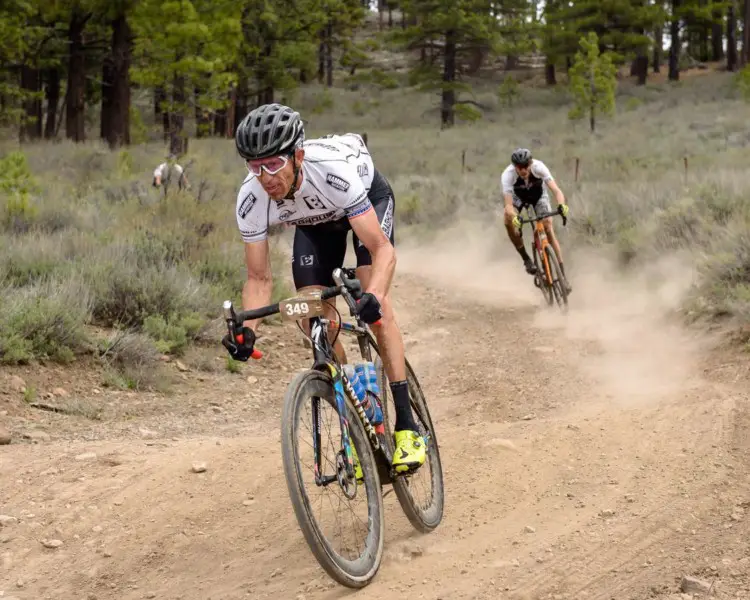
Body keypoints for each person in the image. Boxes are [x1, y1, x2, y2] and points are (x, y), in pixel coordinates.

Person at [221, 102, 425, 476]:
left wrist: (374, 296)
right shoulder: (252, 198)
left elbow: (382, 250)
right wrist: (248, 332)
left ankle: (407, 427)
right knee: (311, 315)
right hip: (315, 226)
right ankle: (360, 407)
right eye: (253, 166)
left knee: (378, 314)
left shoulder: (332, 172)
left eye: (272, 164)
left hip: (365, 203)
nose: (264, 176)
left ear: (297, 156)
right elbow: (258, 279)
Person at [501, 148, 571, 292]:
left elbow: (556, 191)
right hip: (518, 198)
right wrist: (515, 217)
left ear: (530, 163)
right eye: (520, 167)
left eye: (526, 165)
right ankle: (526, 258)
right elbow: (508, 205)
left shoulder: (539, 167)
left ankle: (562, 277)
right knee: (507, 220)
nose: (524, 170)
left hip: (538, 195)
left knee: (547, 227)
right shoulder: (508, 175)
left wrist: (562, 205)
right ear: (515, 167)